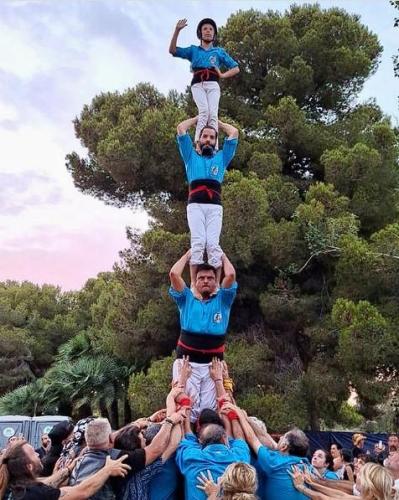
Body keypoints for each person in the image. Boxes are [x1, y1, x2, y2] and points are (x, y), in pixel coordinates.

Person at [169, 251, 237, 420]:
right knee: (185, 409)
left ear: (216, 282)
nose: (206, 281)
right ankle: (185, 443)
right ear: (195, 282)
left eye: (210, 278)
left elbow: (231, 274)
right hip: (187, 363)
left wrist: (220, 254)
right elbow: (173, 274)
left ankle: (209, 441)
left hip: (212, 366)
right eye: (201, 278)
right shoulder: (186, 299)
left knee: (210, 412)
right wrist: (188, 254)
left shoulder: (223, 300)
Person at [176, 116, 238, 285]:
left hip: (214, 207)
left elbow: (234, 132)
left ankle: (216, 285)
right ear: (199, 140)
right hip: (195, 205)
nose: (208, 140)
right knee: (198, 244)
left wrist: (218, 124)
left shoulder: (221, 158)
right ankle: (195, 287)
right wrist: (198, 119)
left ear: (215, 142)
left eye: (212, 137)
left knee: (212, 244)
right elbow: (181, 128)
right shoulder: (190, 156)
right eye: (205, 137)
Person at [169, 18, 239, 144]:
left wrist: (222, 75)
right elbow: (173, 51)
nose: (208, 31)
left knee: (213, 114)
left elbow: (236, 68)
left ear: (214, 34)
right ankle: (199, 144)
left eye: (211, 29)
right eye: (205, 29)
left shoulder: (218, 52)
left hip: (213, 84)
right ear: (200, 33)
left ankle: (214, 146)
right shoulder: (193, 50)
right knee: (204, 112)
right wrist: (177, 31)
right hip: (197, 84)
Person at [225, 402, 311, 500]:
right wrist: (247, 419)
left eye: (283, 437)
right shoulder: (305, 464)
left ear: (284, 447)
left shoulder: (274, 462)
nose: (280, 437)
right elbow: (266, 438)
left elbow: (252, 439)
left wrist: (239, 413)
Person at [0, 439, 130, 500]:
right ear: (29, 466)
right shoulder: (32, 493)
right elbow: (82, 492)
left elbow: (46, 484)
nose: (39, 454)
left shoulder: (10, 486)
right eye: (34, 453)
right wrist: (107, 470)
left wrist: (68, 469)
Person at [176, 405, 250, 500]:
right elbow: (239, 437)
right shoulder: (240, 460)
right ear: (224, 439)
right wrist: (232, 417)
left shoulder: (191, 458)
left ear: (200, 441)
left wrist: (184, 410)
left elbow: (185, 437)